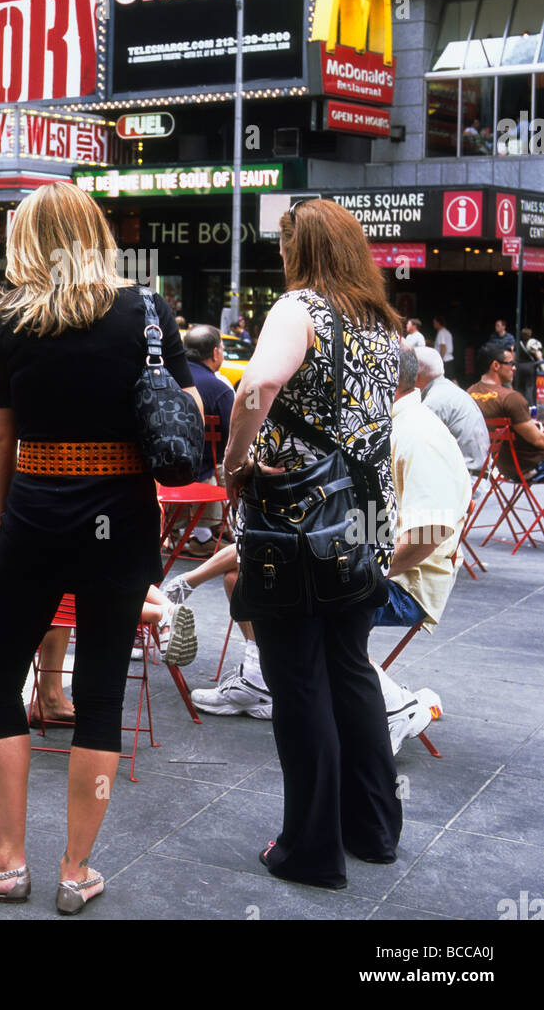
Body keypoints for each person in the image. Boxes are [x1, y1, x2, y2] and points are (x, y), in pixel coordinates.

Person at [0, 181, 203, 912]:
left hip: (40, 511)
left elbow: (1, 437)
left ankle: (5, 858)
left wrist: (11, 519)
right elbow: (187, 407)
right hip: (122, 512)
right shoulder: (144, 309)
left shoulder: (13, 320)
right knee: (101, 690)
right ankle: (75, 870)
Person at [222, 198, 403, 890]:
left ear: (302, 249)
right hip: (364, 519)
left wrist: (235, 464)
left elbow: (257, 386)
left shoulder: (298, 308)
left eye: (283, 242)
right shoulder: (378, 322)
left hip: (299, 522)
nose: (278, 253)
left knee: (296, 677)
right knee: (349, 667)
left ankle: (310, 849)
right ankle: (372, 830)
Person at [372, 345, 470, 753]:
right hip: (384, 566)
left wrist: (367, 571)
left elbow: (428, 532)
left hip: (407, 584)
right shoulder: (395, 423)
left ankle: (397, 706)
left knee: (307, 608)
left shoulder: (417, 434)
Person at [176, 325, 234, 558]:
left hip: (166, 467)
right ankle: (207, 535)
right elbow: (233, 434)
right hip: (208, 470)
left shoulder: (166, 378)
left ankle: (199, 533)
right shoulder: (219, 389)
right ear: (214, 353)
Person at [467, 343, 544, 482]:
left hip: (497, 465)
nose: (514, 368)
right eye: (511, 363)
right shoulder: (511, 398)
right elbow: (538, 440)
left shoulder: (470, 393)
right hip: (527, 466)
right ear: (496, 365)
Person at [416, 347, 489, 475]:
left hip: (464, 480)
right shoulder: (446, 389)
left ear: (416, 374)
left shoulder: (434, 401)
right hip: (475, 473)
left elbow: (417, 446)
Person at [515, 327, 540, 407]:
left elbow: (514, 355)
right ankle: (530, 405)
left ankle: (520, 404)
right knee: (529, 386)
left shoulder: (518, 344)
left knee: (520, 386)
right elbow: (538, 355)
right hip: (530, 366)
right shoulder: (532, 343)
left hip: (520, 366)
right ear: (530, 334)